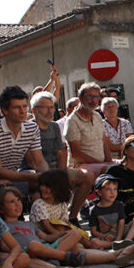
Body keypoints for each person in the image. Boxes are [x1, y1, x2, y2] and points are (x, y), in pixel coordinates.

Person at [0, 185, 134, 268]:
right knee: (35, 245)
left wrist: (62, 234)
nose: (17, 205)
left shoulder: (28, 225)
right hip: (29, 252)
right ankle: (115, 254)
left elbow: (46, 238)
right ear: (0, 208)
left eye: (18, 200)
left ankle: (115, 255)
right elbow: (5, 246)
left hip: (48, 250)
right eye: (11, 202)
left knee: (75, 233)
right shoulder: (2, 225)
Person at [30, 91, 94, 222]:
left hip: (56, 171)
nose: (49, 111)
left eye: (51, 107)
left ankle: (72, 216)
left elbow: (61, 152)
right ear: (34, 110)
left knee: (87, 176)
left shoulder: (54, 126)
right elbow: (31, 160)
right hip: (37, 174)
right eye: (45, 107)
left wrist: (62, 174)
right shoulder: (29, 128)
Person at [0, 85, 48, 191]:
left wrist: (46, 176)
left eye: (24, 106)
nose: (22, 111)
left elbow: (39, 161)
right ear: (5, 111)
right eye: (17, 107)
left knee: (51, 186)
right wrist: (35, 177)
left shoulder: (32, 127)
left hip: (14, 176)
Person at [64, 82, 114, 178]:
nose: (93, 100)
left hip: (101, 164)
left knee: (130, 165)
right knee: (110, 169)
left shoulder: (97, 116)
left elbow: (104, 143)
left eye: (96, 97)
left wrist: (109, 162)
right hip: (80, 166)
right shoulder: (73, 121)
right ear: (80, 97)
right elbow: (76, 153)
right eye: (90, 96)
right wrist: (103, 164)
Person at [88, 174, 134, 249]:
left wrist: (118, 238)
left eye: (115, 189)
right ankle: (112, 245)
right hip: (105, 237)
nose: (112, 192)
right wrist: (105, 236)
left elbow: (121, 223)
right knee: (94, 241)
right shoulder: (94, 210)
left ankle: (126, 241)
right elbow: (93, 231)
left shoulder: (119, 205)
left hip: (119, 233)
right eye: (108, 189)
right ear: (99, 192)